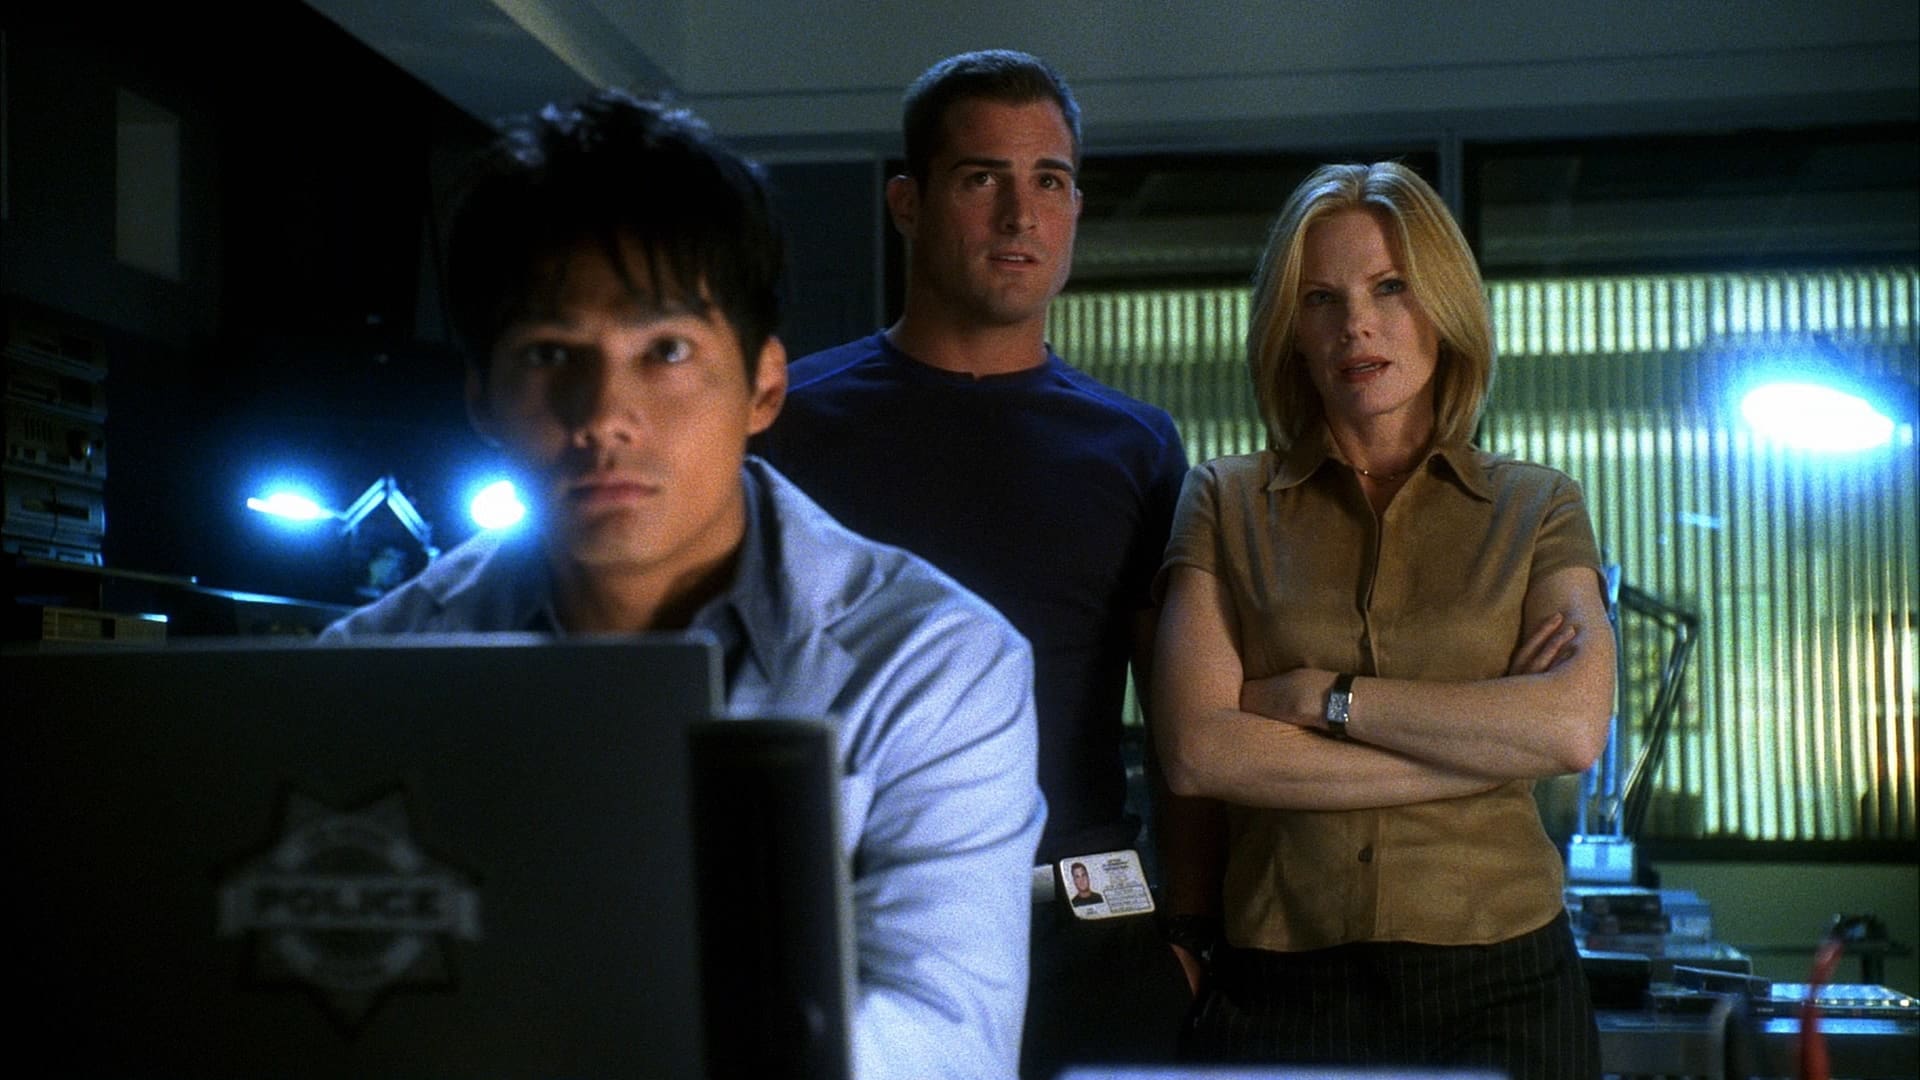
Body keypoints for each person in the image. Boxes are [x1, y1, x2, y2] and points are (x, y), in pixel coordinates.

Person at [320, 89, 1044, 1080]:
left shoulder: (932, 662)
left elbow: (945, 1037)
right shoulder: (373, 666)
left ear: (764, 386)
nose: (605, 414)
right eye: (550, 355)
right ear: (482, 398)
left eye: (665, 351)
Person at [751, 49, 1193, 1078]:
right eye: (981, 177)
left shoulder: (1135, 446)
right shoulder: (786, 424)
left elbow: (1185, 729)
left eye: (1051, 181)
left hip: (1085, 937)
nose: (1020, 215)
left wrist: (1192, 938)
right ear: (907, 203)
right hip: (855, 928)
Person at [1149, 161, 1614, 1078]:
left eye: (1390, 287)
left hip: (1507, 982)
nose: (1355, 324)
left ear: (1443, 305)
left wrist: (1323, 698)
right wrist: (1482, 751)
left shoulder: (1539, 508)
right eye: (1321, 299)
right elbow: (1201, 751)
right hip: (1282, 986)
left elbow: (1568, 729)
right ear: (1291, 331)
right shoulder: (1223, 500)